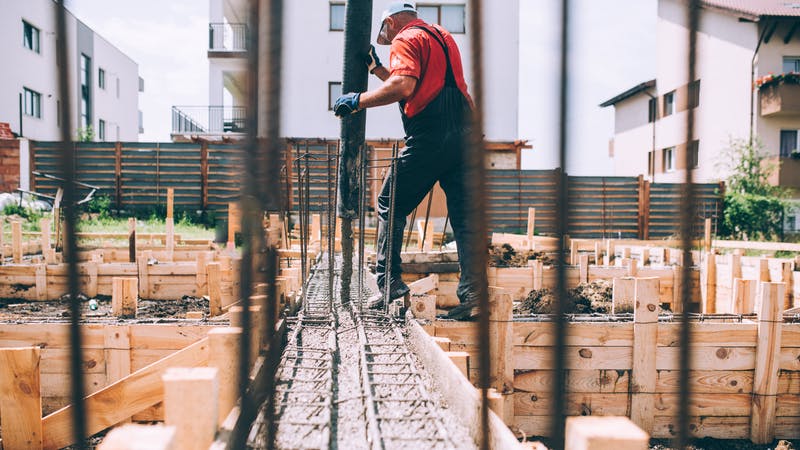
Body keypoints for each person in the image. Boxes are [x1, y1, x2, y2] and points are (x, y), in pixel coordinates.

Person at [333, 1, 478, 320]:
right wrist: (376, 70)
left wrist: (356, 102)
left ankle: (388, 283)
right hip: (465, 135)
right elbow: (421, 85)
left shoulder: (405, 38)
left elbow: (404, 86)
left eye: (384, 28)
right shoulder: (441, 36)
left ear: (393, 20)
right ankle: (474, 296)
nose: (384, 35)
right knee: (464, 217)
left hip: (432, 134)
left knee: (390, 202)